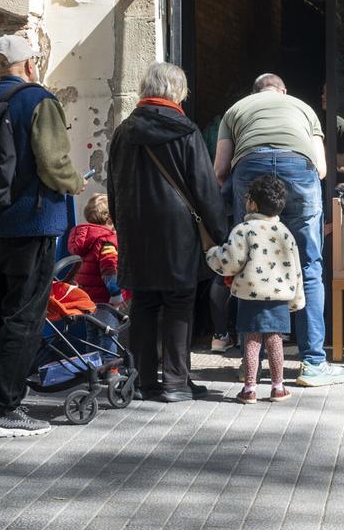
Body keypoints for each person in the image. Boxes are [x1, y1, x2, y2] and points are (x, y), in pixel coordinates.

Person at [0, 34, 84, 438]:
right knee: (23, 316)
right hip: (32, 222)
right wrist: (75, 183)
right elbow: (53, 162)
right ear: (29, 64)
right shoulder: (38, 99)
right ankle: (5, 409)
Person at [213, 73, 344, 388]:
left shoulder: (236, 110)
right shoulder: (302, 108)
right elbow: (322, 167)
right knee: (309, 266)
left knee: (248, 262)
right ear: (282, 91)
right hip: (299, 169)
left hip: (250, 166)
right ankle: (313, 364)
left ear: (255, 92)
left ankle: (252, 368)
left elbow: (220, 169)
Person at [107, 62, 227, 402]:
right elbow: (205, 187)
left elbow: (112, 185)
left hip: (135, 226)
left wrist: (119, 222)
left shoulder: (124, 131)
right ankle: (176, 382)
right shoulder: (186, 130)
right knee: (178, 302)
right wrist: (221, 233)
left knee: (144, 301)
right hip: (178, 231)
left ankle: (145, 381)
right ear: (178, 91)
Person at [205, 175, 304, 404]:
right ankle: (278, 387)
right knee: (275, 340)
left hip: (250, 295)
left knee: (251, 340)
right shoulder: (284, 232)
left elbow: (230, 261)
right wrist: (297, 299)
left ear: (252, 204)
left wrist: (211, 254)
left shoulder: (243, 229)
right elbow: (296, 268)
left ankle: (249, 388)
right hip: (279, 297)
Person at [66, 194, 122, 308]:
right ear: (110, 219)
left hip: (85, 297)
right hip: (104, 299)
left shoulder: (82, 237)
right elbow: (109, 269)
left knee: (93, 325)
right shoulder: (107, 241)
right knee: (108, 325)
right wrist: (116, 293)